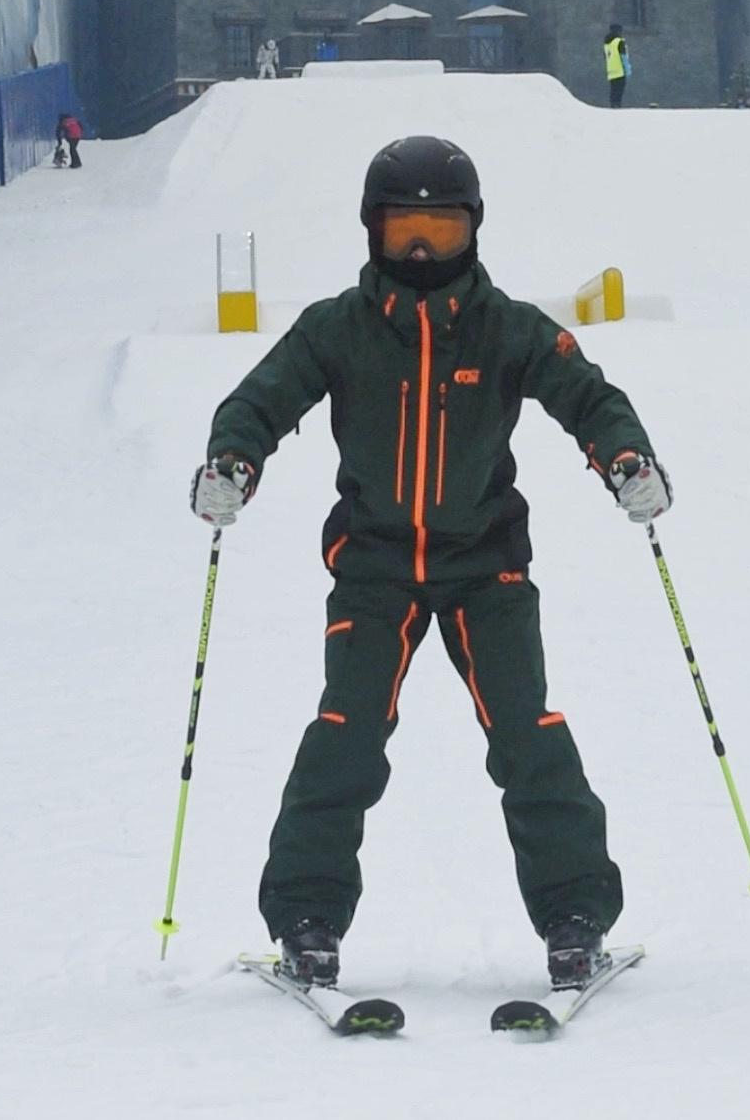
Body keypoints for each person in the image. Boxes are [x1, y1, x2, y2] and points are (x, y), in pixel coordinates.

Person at [189, 135, 668, 991]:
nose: (419, 250)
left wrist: (626, 459)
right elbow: (257, 402)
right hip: (375, 566)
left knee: (526, 734)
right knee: (347, 734)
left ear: (471, 232)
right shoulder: (336, 327)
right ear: (372, 231)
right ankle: (306, 915)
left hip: (486, 565)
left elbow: (589, 396)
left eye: (438, 231)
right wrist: (232, 462)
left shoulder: (508, 327)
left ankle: (574, 915)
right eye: (405, 229)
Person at [604, 25, 630, 108]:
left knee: (613, 90)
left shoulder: (607, 43)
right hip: (620, 70)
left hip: (611, 71)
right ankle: (617, 106)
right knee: (619, 90)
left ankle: (613, 105)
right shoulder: (619, 42)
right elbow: (624, 57)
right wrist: (627, 70)